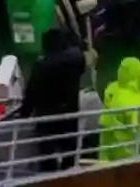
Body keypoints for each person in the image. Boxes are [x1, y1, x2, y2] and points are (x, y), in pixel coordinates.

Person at [14, 28, 88, 172]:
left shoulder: (41, 66)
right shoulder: (77, 59)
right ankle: (69, 174)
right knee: (69, 151)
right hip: (70, 114)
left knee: (46, 153)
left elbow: (31, 93)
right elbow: (79, 50)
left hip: (47, 117)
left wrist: (24, 113)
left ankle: (50, 176)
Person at [97, 57, 140, 163]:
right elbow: (137, 130)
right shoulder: (132, 100)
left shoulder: (112, 88)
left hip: (106, 152)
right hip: (127, 156)